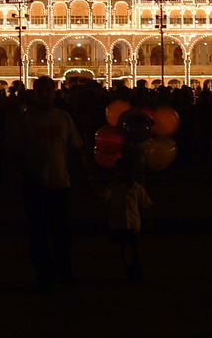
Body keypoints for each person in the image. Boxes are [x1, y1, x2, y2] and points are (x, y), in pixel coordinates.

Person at [9, 75, 86, 291]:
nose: (45, 94)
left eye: (48, 90)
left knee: (62, 232)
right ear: (35, 93)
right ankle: (45, 273)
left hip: (60, 182)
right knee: (38, 233)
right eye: (40, 90)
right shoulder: (26, 120)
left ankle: (64, 271)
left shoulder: (63, 118)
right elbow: (15, 152)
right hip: (34, 184)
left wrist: (84, 178)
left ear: (54, 92)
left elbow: (76, 149)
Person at [102, 158, 152, 281]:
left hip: (131, 223)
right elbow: (104, 197)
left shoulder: (135, 187)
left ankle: (136, 271)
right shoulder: (115, 187)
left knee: (133, 248)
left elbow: (146, 204)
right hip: (121, 222)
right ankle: (130, 271)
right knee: (125, 248)